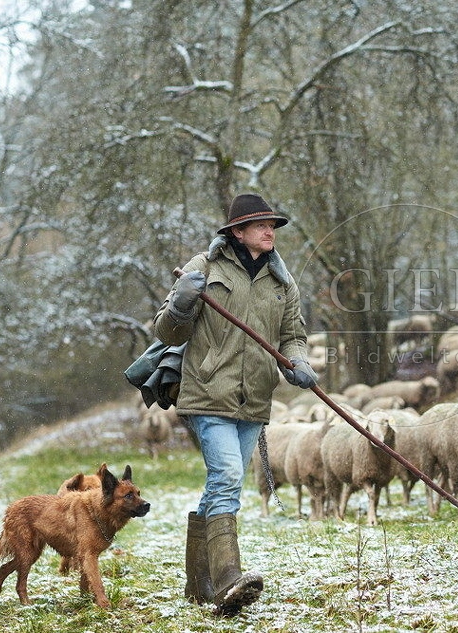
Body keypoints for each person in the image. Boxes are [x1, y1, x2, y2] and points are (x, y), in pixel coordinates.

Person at [153, 193, 317, 616]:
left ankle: (198, 583)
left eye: (273, 225)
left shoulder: (283, 282)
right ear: (237, 232)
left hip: (255, 398)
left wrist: (297, 361)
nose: (270, 231)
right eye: (261, 225)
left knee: (221, 487)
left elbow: (292, 335)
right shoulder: (202, 269)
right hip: (207, 392)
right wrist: (182, 302)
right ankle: (228, 577)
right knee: (227, 476)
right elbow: (167, 332)